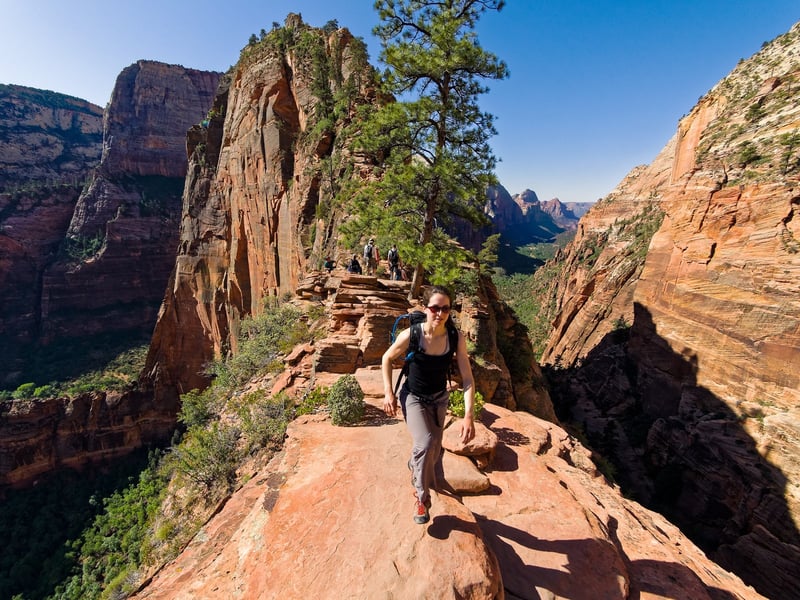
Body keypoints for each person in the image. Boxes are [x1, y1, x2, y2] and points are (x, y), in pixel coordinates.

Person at [381, 285, 475, 524]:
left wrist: (468, 416)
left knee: (434, 448)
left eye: (445, 309)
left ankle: (415, 463)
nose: (440, 313)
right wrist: (388, 393)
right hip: (413, 397)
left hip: (439, 398)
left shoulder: (455, 338)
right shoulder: (412, 335)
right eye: (435, 308)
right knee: (425, 442)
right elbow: (387, 358)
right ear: (425, 309)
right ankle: (421, 499)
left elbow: (467, 378)